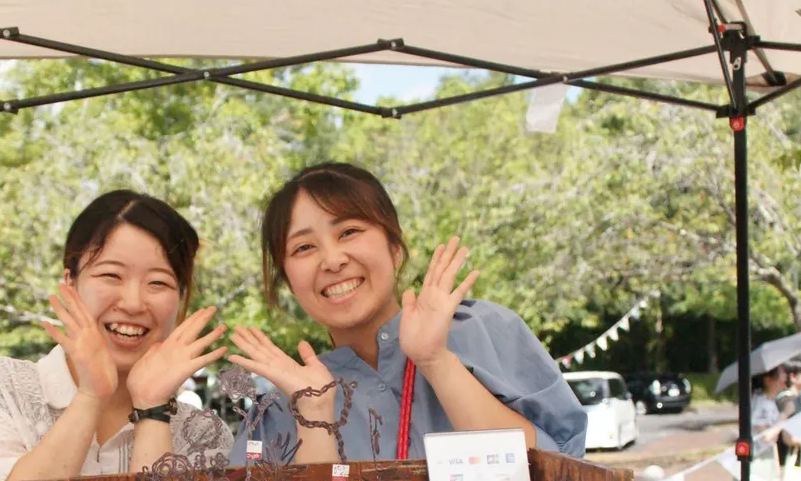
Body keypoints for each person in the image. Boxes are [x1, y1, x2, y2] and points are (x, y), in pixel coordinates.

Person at [223, 163, 587, 463]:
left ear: (395, 248)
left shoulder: (482, 331)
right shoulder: (281, 407)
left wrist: (436, 361)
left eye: (349, 231)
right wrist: (313, 417)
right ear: (288, 281)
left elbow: (563, 473)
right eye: (304, 247)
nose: (332, 260)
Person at [0, 191, 232, 481]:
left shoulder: (204, 436)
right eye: (111, 276)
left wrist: (152, 410)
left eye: (158, 282)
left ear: (181, 299)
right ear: (70, 283)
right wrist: (90, 396)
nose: (132, 303)